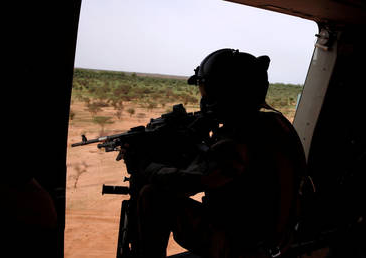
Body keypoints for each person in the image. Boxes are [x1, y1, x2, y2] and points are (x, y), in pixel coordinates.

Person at [126, 48, 306, 258]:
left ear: (226, 93)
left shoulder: (238, 137)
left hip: (243, 248)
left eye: (206, 91)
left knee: (153, 196)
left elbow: (189, 182)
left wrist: (146, 165)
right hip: (275, 238)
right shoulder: (277, 123)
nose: (204, 100)